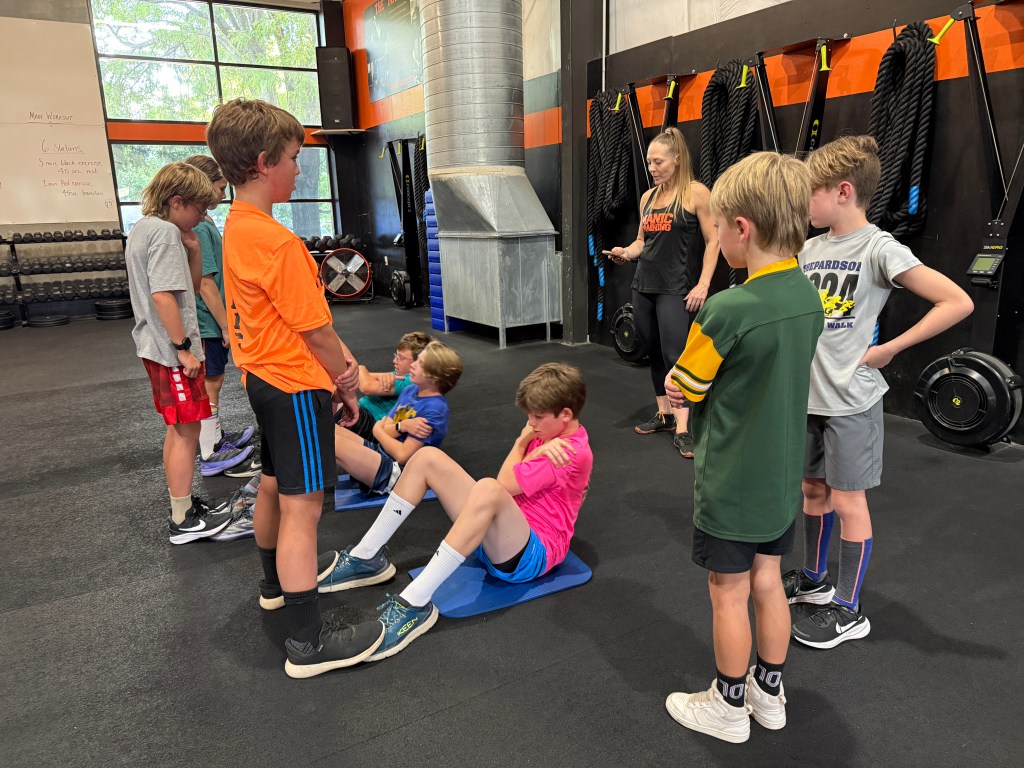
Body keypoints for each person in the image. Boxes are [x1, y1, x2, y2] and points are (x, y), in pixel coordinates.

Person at [206, 98, 384, 678]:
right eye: (292, 158)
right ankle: (307, 643)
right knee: (302, 509)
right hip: (294, 386)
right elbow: (318, 332)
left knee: (272, 484)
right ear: (263, 162)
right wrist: (348, 382)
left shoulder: (236, 225)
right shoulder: (279, 244)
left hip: (261, 380)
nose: (298, 169)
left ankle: (275, 587)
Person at [663, 152, 824, 743]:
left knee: (727, 592)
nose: (717, 236)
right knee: (769, 581)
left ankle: (729, 709)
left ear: (743, 229)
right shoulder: (807, 296)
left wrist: (674, 386)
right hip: (781, 476)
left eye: (718, 226)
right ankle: (769, 695)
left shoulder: (728, 309)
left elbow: (683, 385)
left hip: (732, 478)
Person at [787, 136, 973, 648]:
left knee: (849, 501)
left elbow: (956, 302)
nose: (805, 205)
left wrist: (892, 347)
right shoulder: (808, 247)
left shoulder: (878, 248)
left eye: (811, 194)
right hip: (809, 398)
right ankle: (815, 580)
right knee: (812, 492)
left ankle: (849, 608)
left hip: (852, 399)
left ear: (843, 191)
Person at [319, 362, 593, 662]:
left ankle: (414, 603)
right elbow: (508, 478)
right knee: (426, 458)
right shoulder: (546, 433)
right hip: (504, 538)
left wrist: (524, 443)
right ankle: (366, 555)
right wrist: (524, 442)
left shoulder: (567, 451)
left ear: (565, 415)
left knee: (489, 488)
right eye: (529, 415)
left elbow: (502, 483)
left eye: (537, 417)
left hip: (531, 556)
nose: (530, 423)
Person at [125, 161, 233, 544]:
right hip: (172, 353)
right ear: (176, 201)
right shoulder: (164, 233)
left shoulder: (146, 228)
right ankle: (182, 519)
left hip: (158, 348)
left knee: (178, 430)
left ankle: (184, 504)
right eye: (199, 209)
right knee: (187, 432)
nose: (203, 216)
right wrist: (184, 349)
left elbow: (186, 283)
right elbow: (163, 297)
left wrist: (192, 250)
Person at [608, 126, 719, 458]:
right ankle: (665, 414)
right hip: (643, 286)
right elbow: (642, 243)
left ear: (677, 158)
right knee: (653, 352)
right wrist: (625, 252)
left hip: (675, 289)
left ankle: (684, 428)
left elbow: (714, 240)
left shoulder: (697, 193)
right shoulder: (648, 198)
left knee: (675, 356)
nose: (652, 168)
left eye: (658, 162)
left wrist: (703, 283)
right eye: (649, 162)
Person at [181, 154, 256, 476]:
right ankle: (210, 451)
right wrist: (227, 326)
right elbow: (206, 284)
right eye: (221, 187)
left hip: (210, 319)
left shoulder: (204, 222)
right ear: (205, 183)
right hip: (207, 321)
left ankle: (215, 438)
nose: (224, 194)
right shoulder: (199, 224)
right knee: (211, 381)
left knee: (215, 379)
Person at [334, 340, 462, 495]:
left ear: (434, 377)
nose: (414, 365)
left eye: (420, 363)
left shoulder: (435, 409)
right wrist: (402, 427)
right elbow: (387, 430)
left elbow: (403, 455)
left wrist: (378, 429)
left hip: (400, 474)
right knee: (327, 429)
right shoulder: (410, 390)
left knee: (328, 441)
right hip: (381, 452)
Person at [346, 330, 434, 441]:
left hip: (373, 424)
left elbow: (366, 386)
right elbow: (362, 378)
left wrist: (360, 368)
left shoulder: (411, 381)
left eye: (401, 358)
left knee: (335, 402)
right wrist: (381, 375)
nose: (394, 361)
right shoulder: (400, 375)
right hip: (364, 416)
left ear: (420, 362)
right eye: (395, 356)